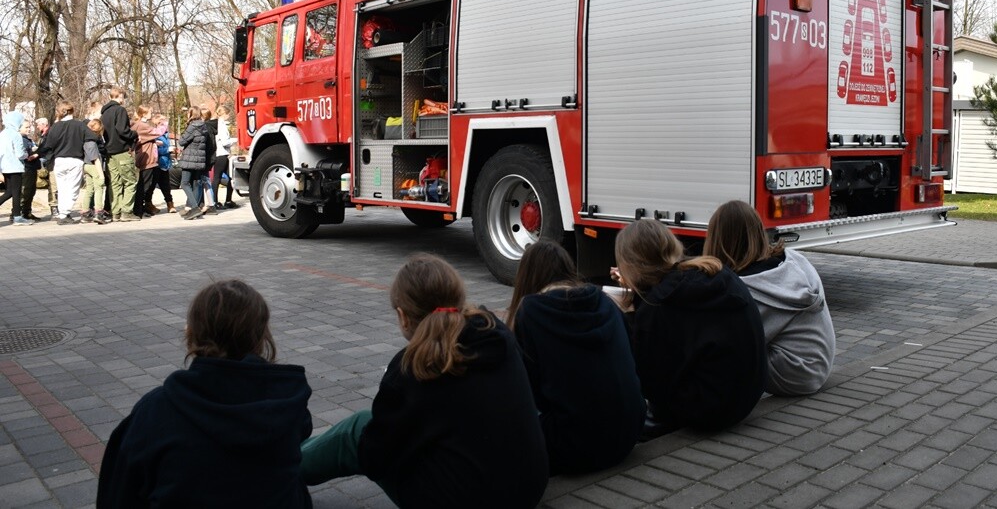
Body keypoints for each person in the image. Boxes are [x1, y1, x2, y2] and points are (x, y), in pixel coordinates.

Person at [300, 254, 549, 509]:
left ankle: (284, 465)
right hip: (528, 489)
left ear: (403, 316)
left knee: (358, 430)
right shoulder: (495, 332)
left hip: (470, 501)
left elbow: (375, 459)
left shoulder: (413, 367)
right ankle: (294, 452)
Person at [96, 279, 313, 508]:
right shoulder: (287, 404)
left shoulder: (155, 412)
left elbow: (118, 492)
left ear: (191, 333)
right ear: (261, 339)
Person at [614, 219, 767, 434]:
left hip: (707, 411)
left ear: (630, 265)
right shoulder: (717, 273)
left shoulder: (658, 305)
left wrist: (631, 314)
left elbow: (649, 381)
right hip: (746, 396)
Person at [506, 240, 645, 475]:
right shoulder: (605, 301)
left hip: (573, 446)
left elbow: (528, 391)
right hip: (629, 433)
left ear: (527, 276)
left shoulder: (530, 311)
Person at [704, 200, 836, 396]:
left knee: (716, 350)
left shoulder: (746, 288)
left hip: (797, 374)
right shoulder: (794, 260)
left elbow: (733, 340)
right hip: (819, 363)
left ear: (717, 239)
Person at [36, 102, 97, 225]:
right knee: (73, 189)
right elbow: (93, 137)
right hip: (75, 160)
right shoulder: (79, 125)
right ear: (72, 111)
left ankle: (63, 213)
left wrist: (37, 153)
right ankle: (64, 214)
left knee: (62, 189)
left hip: (59, 161)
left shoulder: (55, 127)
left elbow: (47, 145)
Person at [101, 87, 139, 222]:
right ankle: (126, 212)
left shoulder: (104, 113)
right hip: (122, 150)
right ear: (120, 96)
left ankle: (115, 212)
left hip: (109, 152)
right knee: (130, 182)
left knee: (114, 183)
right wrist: (134, 134)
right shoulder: (120, 110)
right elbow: (123, 130)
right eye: (123, 97)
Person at [1, 111, 34, 226]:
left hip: (5, 166)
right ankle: (17, 217)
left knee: (9, 192)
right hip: (15, 167)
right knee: (16, 193)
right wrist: (27, 154)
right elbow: (20, 154)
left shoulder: (2, 134)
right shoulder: (16, 135)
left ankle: (17, 216)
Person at [177, 108, 210, 220]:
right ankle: (194, 209)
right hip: (200, 159)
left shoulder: (192, 126)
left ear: (190, 114)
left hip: (189, 159)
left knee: (184, 183)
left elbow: (182, 141)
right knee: (197, 183)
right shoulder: (204, 126)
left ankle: (195, 208)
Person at [130, 105, 161, 218]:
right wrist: (163, 123)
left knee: (149, 183)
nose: (151, 114)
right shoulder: (141, 125)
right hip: (146, 159)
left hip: (149, 158)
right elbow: (158, 132)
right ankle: (137, 209)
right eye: (150, 112)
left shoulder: (142, 125)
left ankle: (143, 207)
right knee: (144, 185)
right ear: (143, 113)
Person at [81, 119, 110, 224]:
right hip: (93, 166)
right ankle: (99, 212)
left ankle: (85, 213)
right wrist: (101, 175)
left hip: (85, 166)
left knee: (89, 189)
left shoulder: (84, 140)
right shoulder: (92, 143)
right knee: (99, 188)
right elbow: (96, 159)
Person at [209, 106, 237, 210]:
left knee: (229, 178)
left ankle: (224, 200)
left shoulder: (216, 124)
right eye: (228, 114)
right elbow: (225, 142)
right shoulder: (221, 125)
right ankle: (217, 201)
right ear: (224, 114)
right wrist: (235, 140)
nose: (229, 116)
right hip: (222, 154)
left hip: (219, 154)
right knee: (218, 178)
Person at [152, 114, 176, 213]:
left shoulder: (166, 135)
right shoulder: (156, 134)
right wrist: (167, 150)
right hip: (157, 163)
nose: (165, 124)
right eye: (162, 123)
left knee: (166, 185)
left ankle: (170, 203)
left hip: (165, 163)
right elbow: (155, 150)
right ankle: (148, 204)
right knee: (152, 186)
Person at [19, 120, 42, 221]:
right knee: (25, 191)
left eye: (29, 127)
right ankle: (20, 213)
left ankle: (27, 212)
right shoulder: (20, 139)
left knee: (31, 191)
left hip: (32, 167)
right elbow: (21, 153)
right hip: (26, 168)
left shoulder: (28, 139)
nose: (29, 129)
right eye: (26, 127)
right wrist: (30, 153)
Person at [35, 117, 58, 215]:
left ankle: (54, 207)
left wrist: (37, 154)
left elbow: (47, 147)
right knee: (51, 185)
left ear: (44, 125)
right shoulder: (43, 135)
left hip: (52, 161)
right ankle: (54, 206)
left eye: (38, 125)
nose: (37, 127)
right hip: (47, 162)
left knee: (54, 185)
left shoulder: (50, 134)